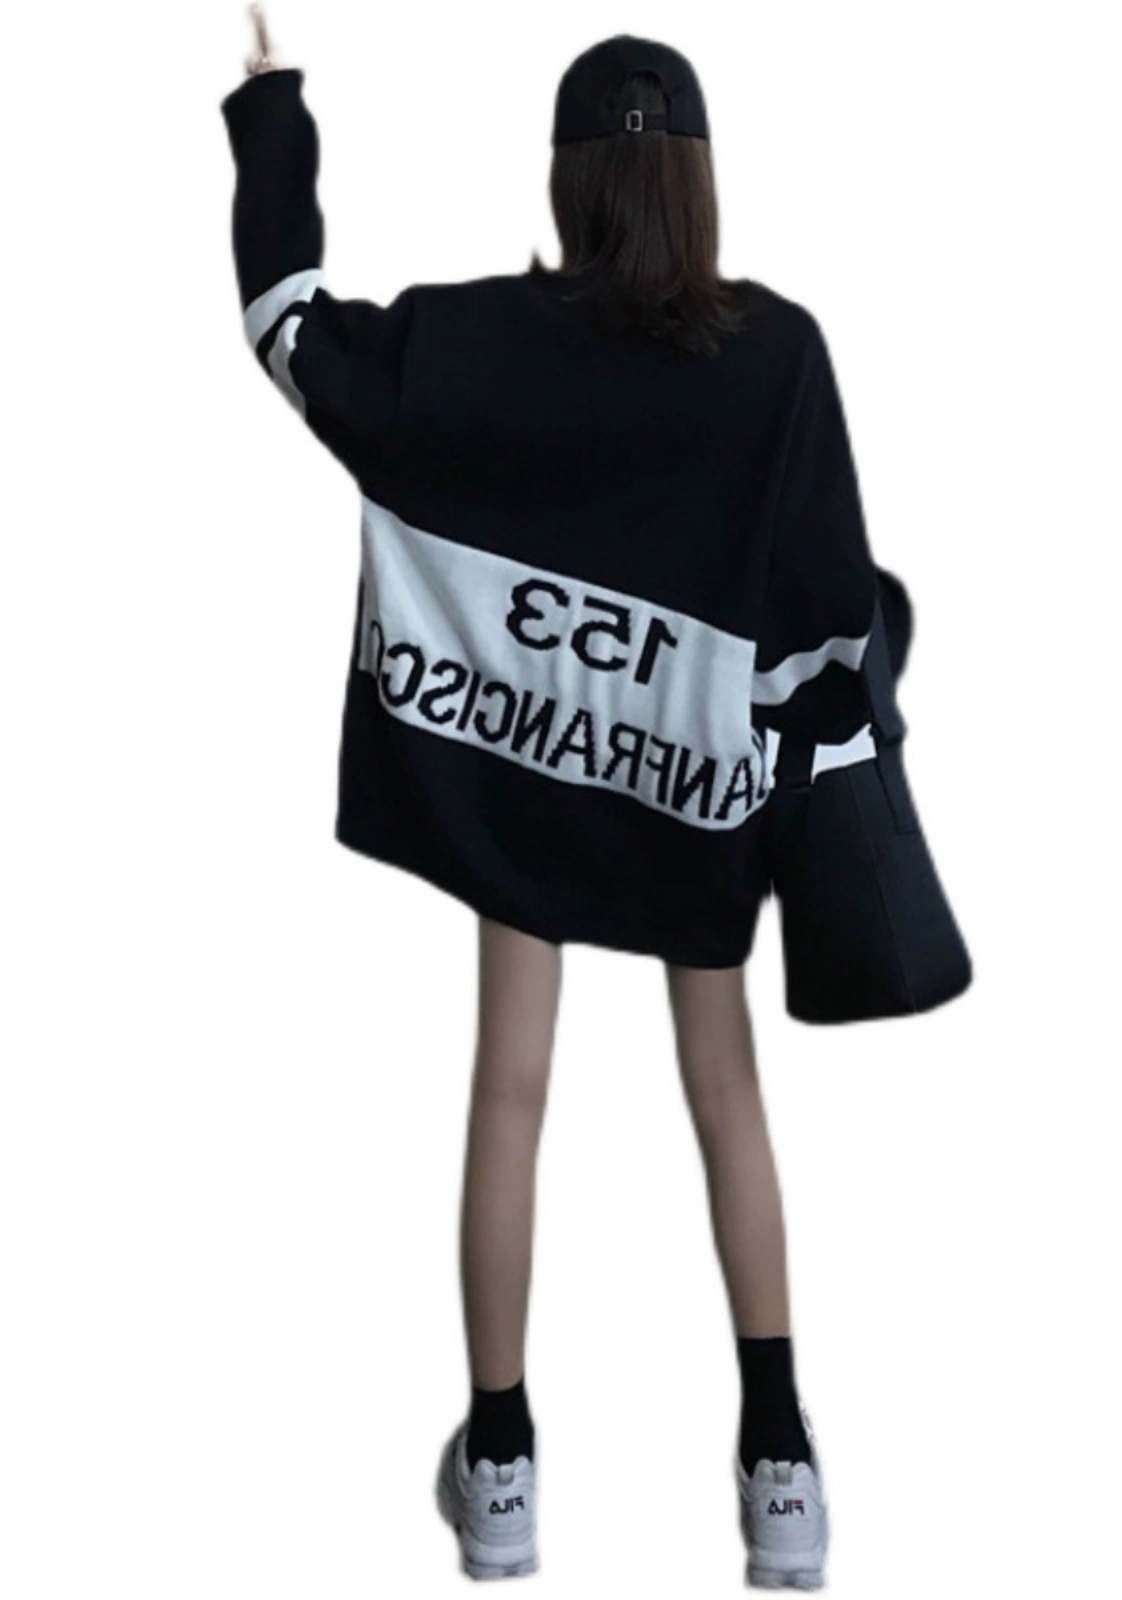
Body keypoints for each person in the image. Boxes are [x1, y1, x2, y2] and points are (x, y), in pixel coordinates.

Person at [221, 15, 904, 1587]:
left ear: (567, 179)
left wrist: (272, 120)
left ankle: (504, 1464)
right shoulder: (781, 358)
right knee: (725, 1092)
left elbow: (289, 329)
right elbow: (828, 624)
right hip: (696, 799)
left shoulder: (475, 345)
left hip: (519, 791)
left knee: (510, 1089)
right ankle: (780, 1467)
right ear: (699, 182)